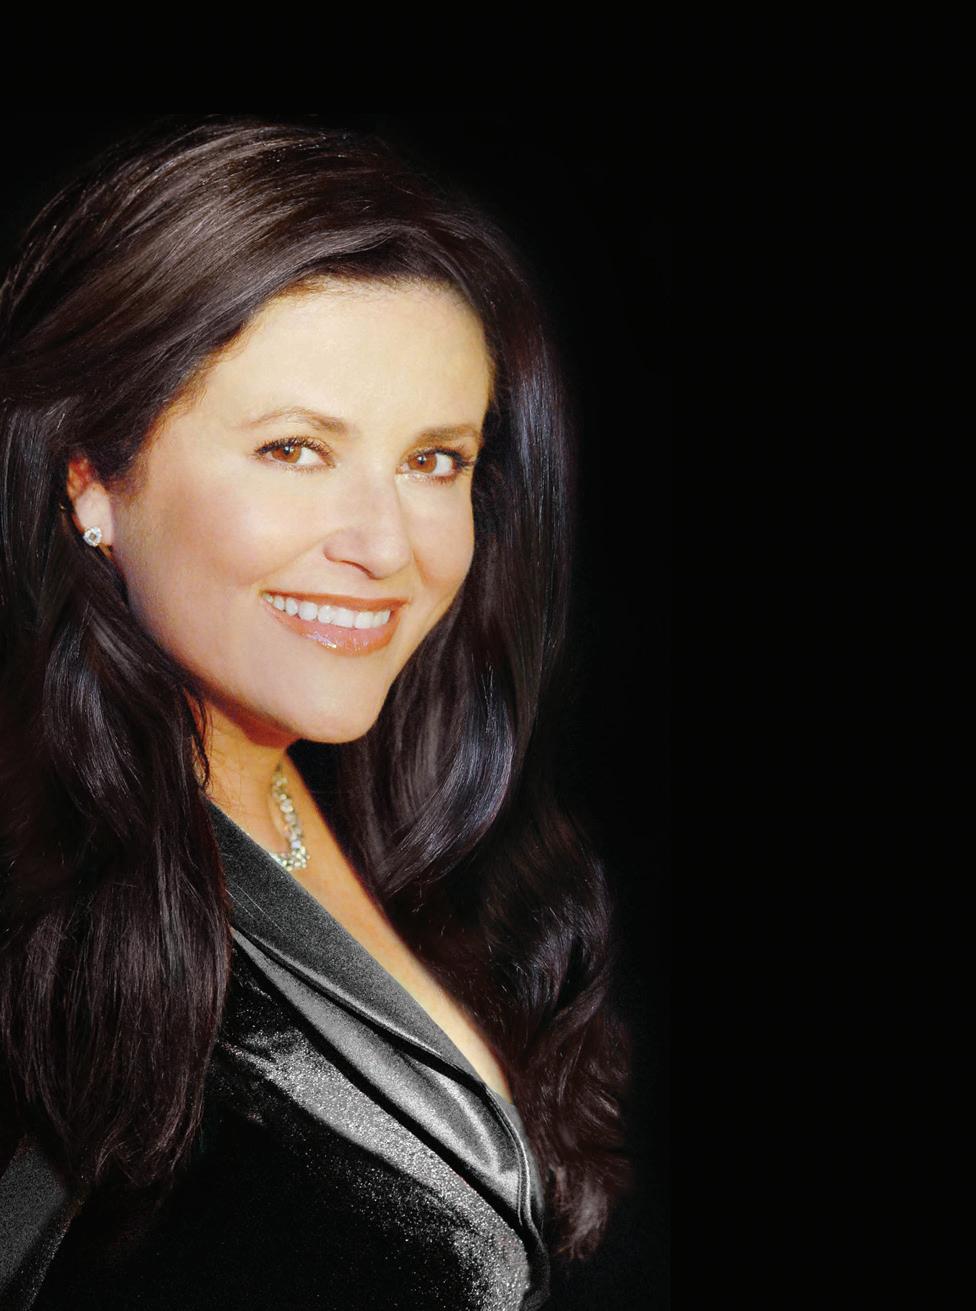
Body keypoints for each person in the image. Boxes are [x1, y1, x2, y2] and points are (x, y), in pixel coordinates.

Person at [0, 114, 631, 1309]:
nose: (386, 546)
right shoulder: (36, 899)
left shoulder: (396, 814)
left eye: (435, 460)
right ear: (92, 475)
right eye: (295, 450)